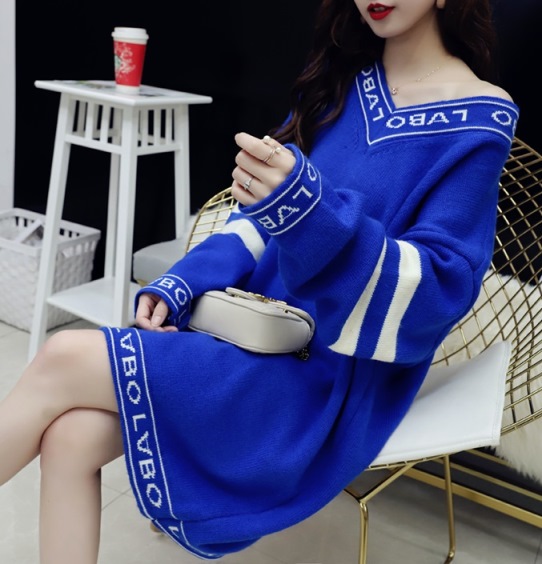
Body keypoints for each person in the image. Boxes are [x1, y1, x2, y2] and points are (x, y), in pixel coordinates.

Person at [0, 0, 518, 562]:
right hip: (250, 327)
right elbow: (258, 221)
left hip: (326, 372)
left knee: (62, 356)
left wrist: (311, 214)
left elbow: (442, 288)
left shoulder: (480, 117)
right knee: (71, 437)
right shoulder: (343, 82)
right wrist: (184, 281)